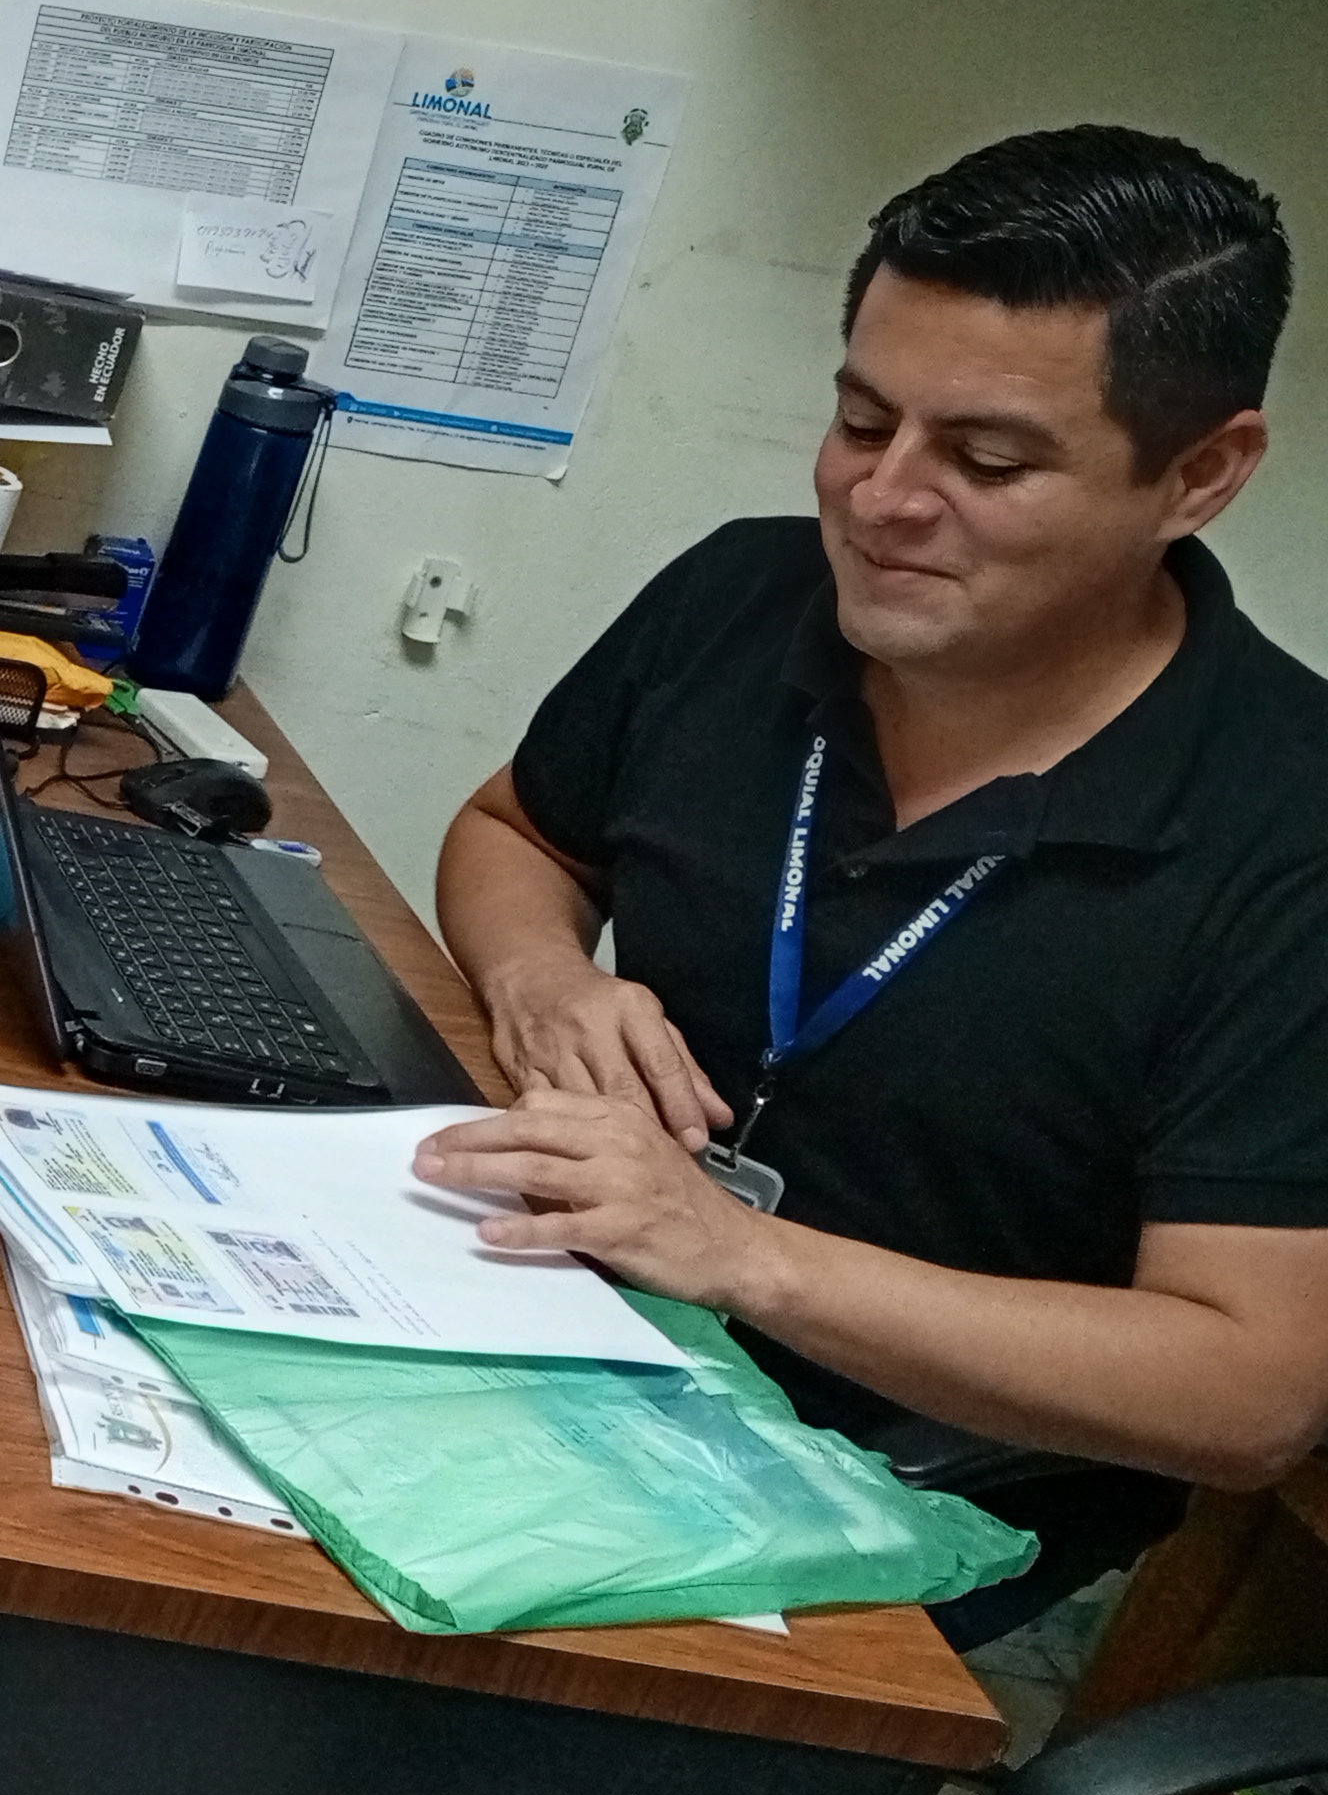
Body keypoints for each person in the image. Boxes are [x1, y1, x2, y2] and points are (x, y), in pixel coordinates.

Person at [415, 124, 1328, 1649]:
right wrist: (542, 977)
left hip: (886, 1481)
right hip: (562, 1306)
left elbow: (1249, 1391)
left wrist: (744, 1258)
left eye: (987, 462)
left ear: (1200, 475)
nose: (882, 500)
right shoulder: (742, 592)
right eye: (860, 420)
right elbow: (519, 833)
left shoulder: (1291, 836)